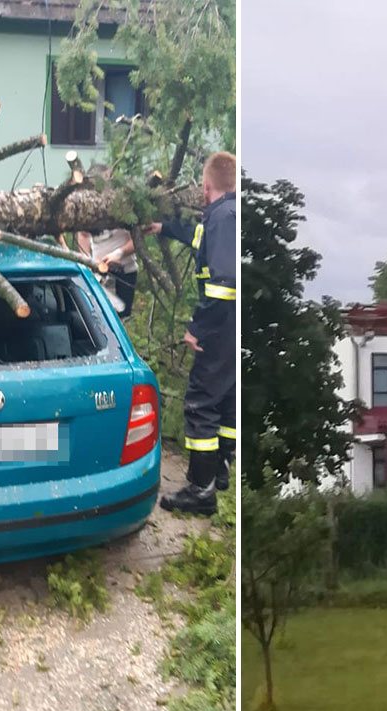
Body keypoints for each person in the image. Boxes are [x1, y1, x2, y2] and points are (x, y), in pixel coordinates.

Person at [146, 150, 237, 516]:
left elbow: (222, 284)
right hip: (230, 328)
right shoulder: (224, 217)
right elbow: (199, 236)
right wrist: (164, 227)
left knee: (200, 403)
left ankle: (201, 491)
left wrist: (197, 328)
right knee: (225, 399)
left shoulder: (223, 219)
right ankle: (220, 470)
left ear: (205, 186)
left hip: (218, 327)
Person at [77, 229, 139, 318]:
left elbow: (137, 241)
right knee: (99, 315)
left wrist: (119, 254)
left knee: (121, 316)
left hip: (125, 272)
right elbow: (83, 235)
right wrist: (87, 260)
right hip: (99, 274)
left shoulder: (126, 216)